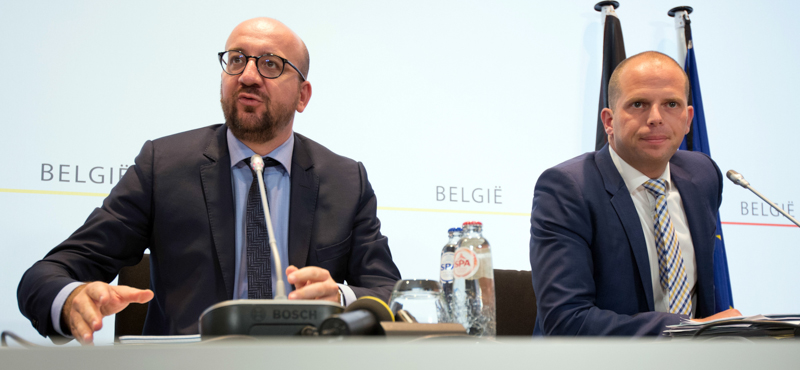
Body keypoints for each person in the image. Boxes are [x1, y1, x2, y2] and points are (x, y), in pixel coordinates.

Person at [17, 17, 401, 344]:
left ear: (303, 95)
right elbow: (47, 275)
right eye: (236, 60)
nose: (248, 76)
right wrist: (70, 299)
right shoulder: (163, 166)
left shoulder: (345, 179)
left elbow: (391, 295)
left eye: (270, 64)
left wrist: (341, 296)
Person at [529, 51, 740, 336]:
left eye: (671, 104)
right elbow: (567, 321)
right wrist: (687, 330)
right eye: (639, 104)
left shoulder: (703, 175)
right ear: (608, 120)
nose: (656, 118)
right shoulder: (568, 188)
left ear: (688, 118)